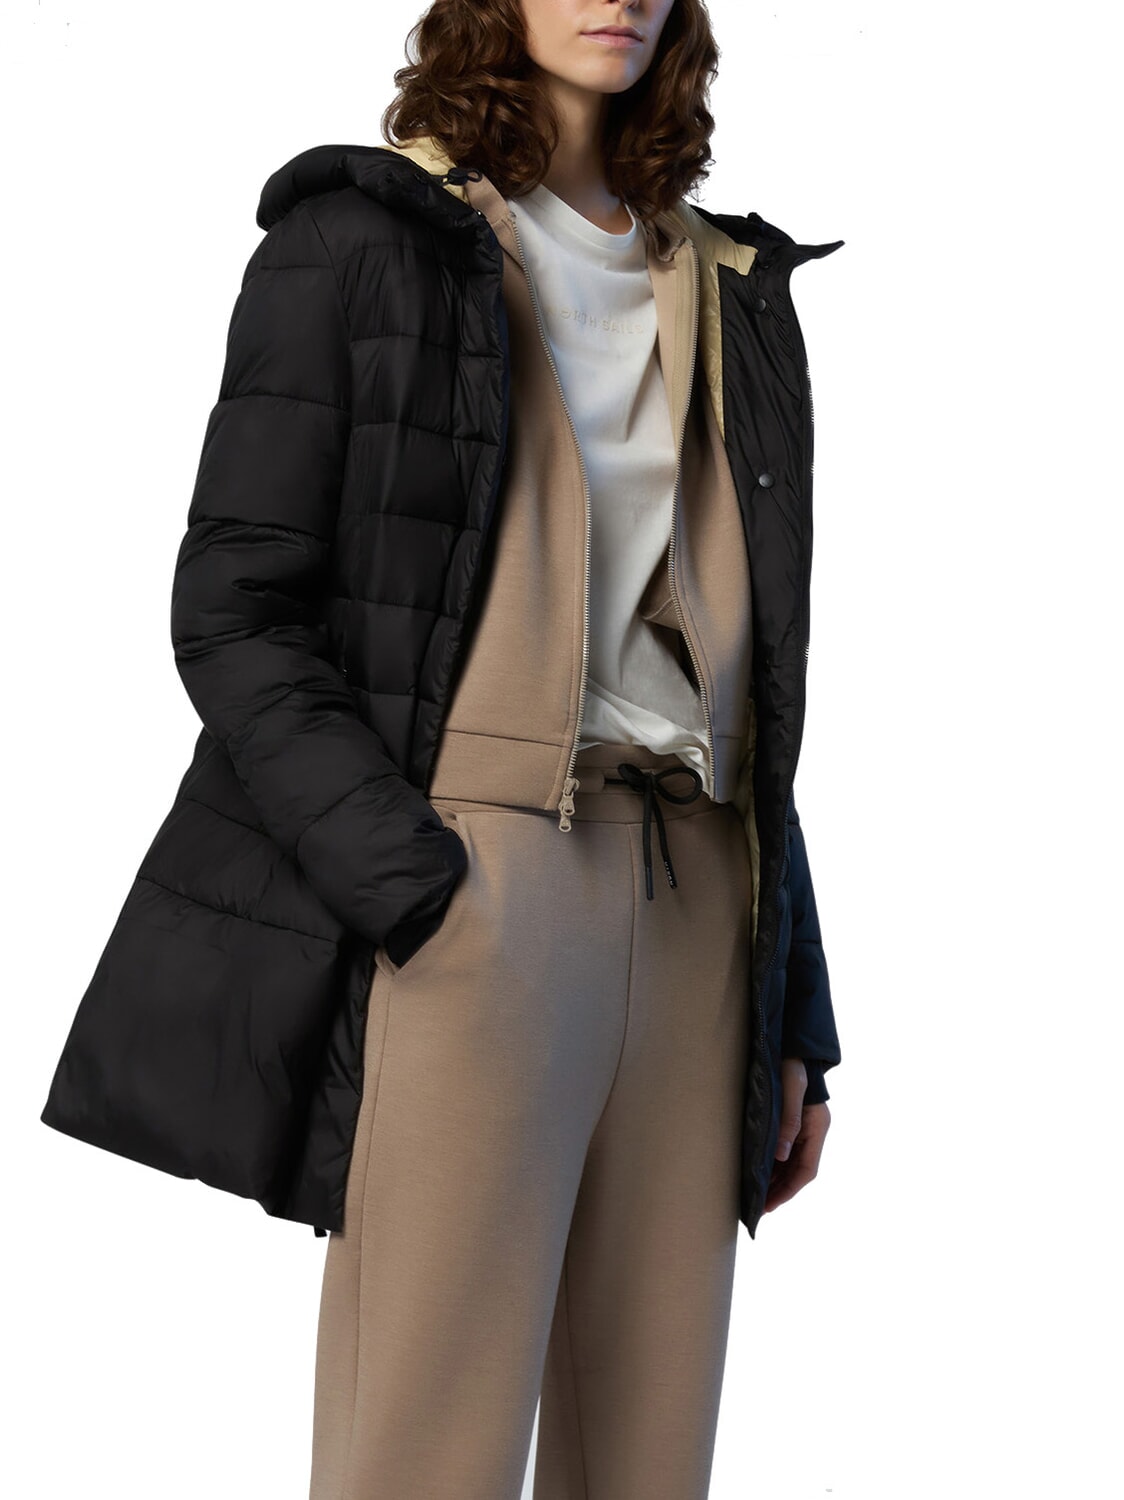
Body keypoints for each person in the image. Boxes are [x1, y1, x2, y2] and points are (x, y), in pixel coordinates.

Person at [40, 1, 843, 1494]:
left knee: (652, 1461)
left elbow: (757, 674)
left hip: (701, 914)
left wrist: (795, 997)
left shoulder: (727, 282)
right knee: (426, 1455)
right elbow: (234, 612)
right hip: (480, 893)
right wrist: (419, 891)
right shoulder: (363, 242)